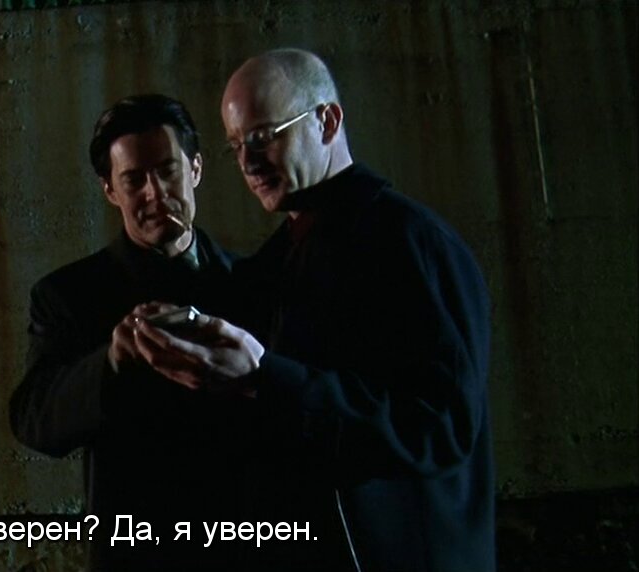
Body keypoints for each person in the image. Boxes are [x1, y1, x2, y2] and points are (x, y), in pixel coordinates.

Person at [132, 49, 495, 571]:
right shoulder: (282, 257)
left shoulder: (413, 243)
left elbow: (442, 427)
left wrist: (266, 378)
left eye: (264, 137)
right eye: (236, 146)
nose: (248, 163)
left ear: (327, 121)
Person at [9, 94, 250, 571]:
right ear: (110, 191)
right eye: (134, 179)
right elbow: (35, 421)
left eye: (167, 171)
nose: (155, 194)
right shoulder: (68, 295)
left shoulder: (253, 283)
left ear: (196, 169)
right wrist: (111, 361)